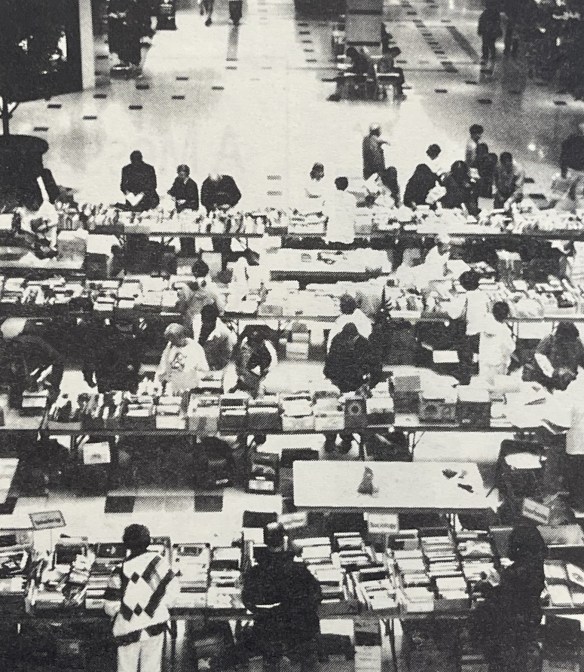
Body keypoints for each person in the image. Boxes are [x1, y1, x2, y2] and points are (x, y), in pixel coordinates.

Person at [241, 522, 322, 672]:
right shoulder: (299, 569)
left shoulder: (256, 571)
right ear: (284, 540)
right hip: (298, 631)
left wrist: (271, 610)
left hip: (268, 632)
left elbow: (247, 600)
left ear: (265, 542)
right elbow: (317, 595)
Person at [104, 524, 177, 672]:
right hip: (154, 626)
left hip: (127, 628)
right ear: (148, 541)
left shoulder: (120, 569)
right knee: (152, 667)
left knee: (126, 668)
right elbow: (173, 593)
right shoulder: (160, 563)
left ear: (126, 543)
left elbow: (110, 607)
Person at [474, 526, 545, 672]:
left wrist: (487, 586)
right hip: (526, 626)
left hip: (509, 630)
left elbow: (502, 594)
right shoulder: (535, 566)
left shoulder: (517, 573)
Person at [324, 323, 374, 453]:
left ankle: (346, 440)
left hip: (356, 382)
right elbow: (329, 360)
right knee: (333, 411)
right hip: (339, 381)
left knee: (352, 413)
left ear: (356, 336)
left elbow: (372, 364)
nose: (349, 342)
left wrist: (367, 381)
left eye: (351, 339)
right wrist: (330, 378)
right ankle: (330, 438)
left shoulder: (364, 343)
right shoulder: (338, 339)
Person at [448, 270, 490, 385]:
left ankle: (464, 376)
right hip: (484, 331)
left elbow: (454, 314)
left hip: (471, 333)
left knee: (463, 350)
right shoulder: (484, 295)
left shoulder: (465, 297)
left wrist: (451, 303)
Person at [83, 318, 144, 393]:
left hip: (112, 357)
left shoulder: (105, 343)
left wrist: (88, 378)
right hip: (116, 354)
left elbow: (91, 360)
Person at [524, 321, 584, 390]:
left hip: (570, 381)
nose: (566, 343)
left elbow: (582, 358)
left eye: (569, 341)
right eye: (563, 340)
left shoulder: (577, 341)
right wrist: (553, 372)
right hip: (549, 380)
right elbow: (539, 356)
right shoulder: (549, 339)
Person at [200, 172, 242, 269]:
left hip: (228, 213)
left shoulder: (229, 181)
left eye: (217, 183)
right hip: (215, 216)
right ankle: (218, 264)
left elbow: (238, 195)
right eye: (213, 183)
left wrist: (229, 204)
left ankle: (226, 264)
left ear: (221, 179)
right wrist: (213, 206)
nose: (215, 185)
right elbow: (203, 200)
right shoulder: (206, 184)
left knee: (227, 239)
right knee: (216, 239)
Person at [156, 323, 209, 393]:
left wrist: (191, 377)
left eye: (174, 340)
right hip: (173, 389)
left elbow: (203, 370)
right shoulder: (170, 347)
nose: (172, 343)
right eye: (171, 340)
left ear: (182, 336)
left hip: (191, 388)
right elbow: (163, 368)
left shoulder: (195, 348)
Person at [479, 301, 515, 385]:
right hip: (498, 362)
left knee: (485, 383)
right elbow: (509, 348)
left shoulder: (485, 323)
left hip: (484, 360)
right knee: (497, 385)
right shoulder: (504, 330)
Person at [233, 329, 275, 398]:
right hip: (246, 376)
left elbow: (267, 361)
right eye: (261, 343)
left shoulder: (262, 349)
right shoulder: (246, 352)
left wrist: (262, 373)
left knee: (259, 392)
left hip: (254, 375)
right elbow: (242, 369)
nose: (262, 344)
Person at [199, 303, 236, 371]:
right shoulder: (196, 326)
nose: (206, 324)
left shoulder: (224, 334)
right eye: (204, 321)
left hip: (213, 368)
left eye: (209, 321)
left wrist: (214, 368)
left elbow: (226, 356)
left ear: (214, 320)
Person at [325, 177, 356, 247]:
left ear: (335, 185)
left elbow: (325, 212)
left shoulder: (330, 197)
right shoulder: (351, 198)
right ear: (347, 185)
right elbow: (353, 214)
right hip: (347, 235)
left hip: (333, 234)